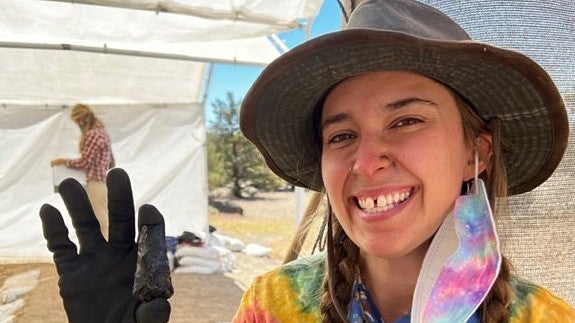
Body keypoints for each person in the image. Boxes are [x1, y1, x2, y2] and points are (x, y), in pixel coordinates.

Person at [39, 0, 574, 322]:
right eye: (340, 134)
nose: (366, 160)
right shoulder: (273, 306)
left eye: (405, 121)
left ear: (475, 153)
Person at [51, 103, 115, 240]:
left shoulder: (93, 134)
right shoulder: (102, 133)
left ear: (83, 119)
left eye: (78, 120)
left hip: (96, 182)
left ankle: (107, 249)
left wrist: (63, 161)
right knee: (104, 216)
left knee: (101, 219)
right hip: (103, 180)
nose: (78, 124)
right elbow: (111, 162)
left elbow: (84, 162)